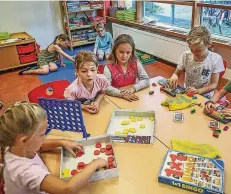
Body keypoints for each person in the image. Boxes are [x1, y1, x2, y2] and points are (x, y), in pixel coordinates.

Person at [0, 101, 107, 194]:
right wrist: (95, 163)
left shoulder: (12, 144)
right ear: (24, 140)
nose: (45, 137)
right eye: (42, 134)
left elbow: (39, 147)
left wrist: (62, 142)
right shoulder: (25, 171)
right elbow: (67, 189)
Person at [169, 26, 224, 99]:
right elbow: (176, 73)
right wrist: (174, 76)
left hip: (205, 95)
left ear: (209, 44)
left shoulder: (215, 59)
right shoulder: (186, 55)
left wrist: (198, 91)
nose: (194, 52)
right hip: (188, 92)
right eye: (191, 49)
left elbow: (214, 84)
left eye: (198, 50)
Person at [104, 34, 150, 102]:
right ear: (114, 50)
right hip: (116, 98)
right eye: (121, 52)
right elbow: (106, 87)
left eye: (128, 52)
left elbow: (146, 80)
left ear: (132, 52)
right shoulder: (108, 66)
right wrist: (122, 94)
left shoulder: (135, 62)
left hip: (133, 96)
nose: (124, 56)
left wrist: (133, 88)